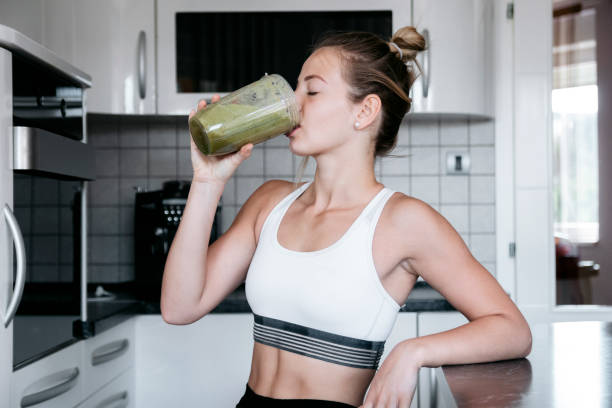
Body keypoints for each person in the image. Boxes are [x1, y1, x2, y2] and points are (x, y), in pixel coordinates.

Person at [161, 26, 532, 408]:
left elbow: (512, 329)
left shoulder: (403, 222)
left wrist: (413, 352)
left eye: (312, 90)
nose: (293, 104)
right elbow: (179, 307)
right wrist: (207, 181)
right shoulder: (269, 202)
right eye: (295, 90)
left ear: (365, 111)